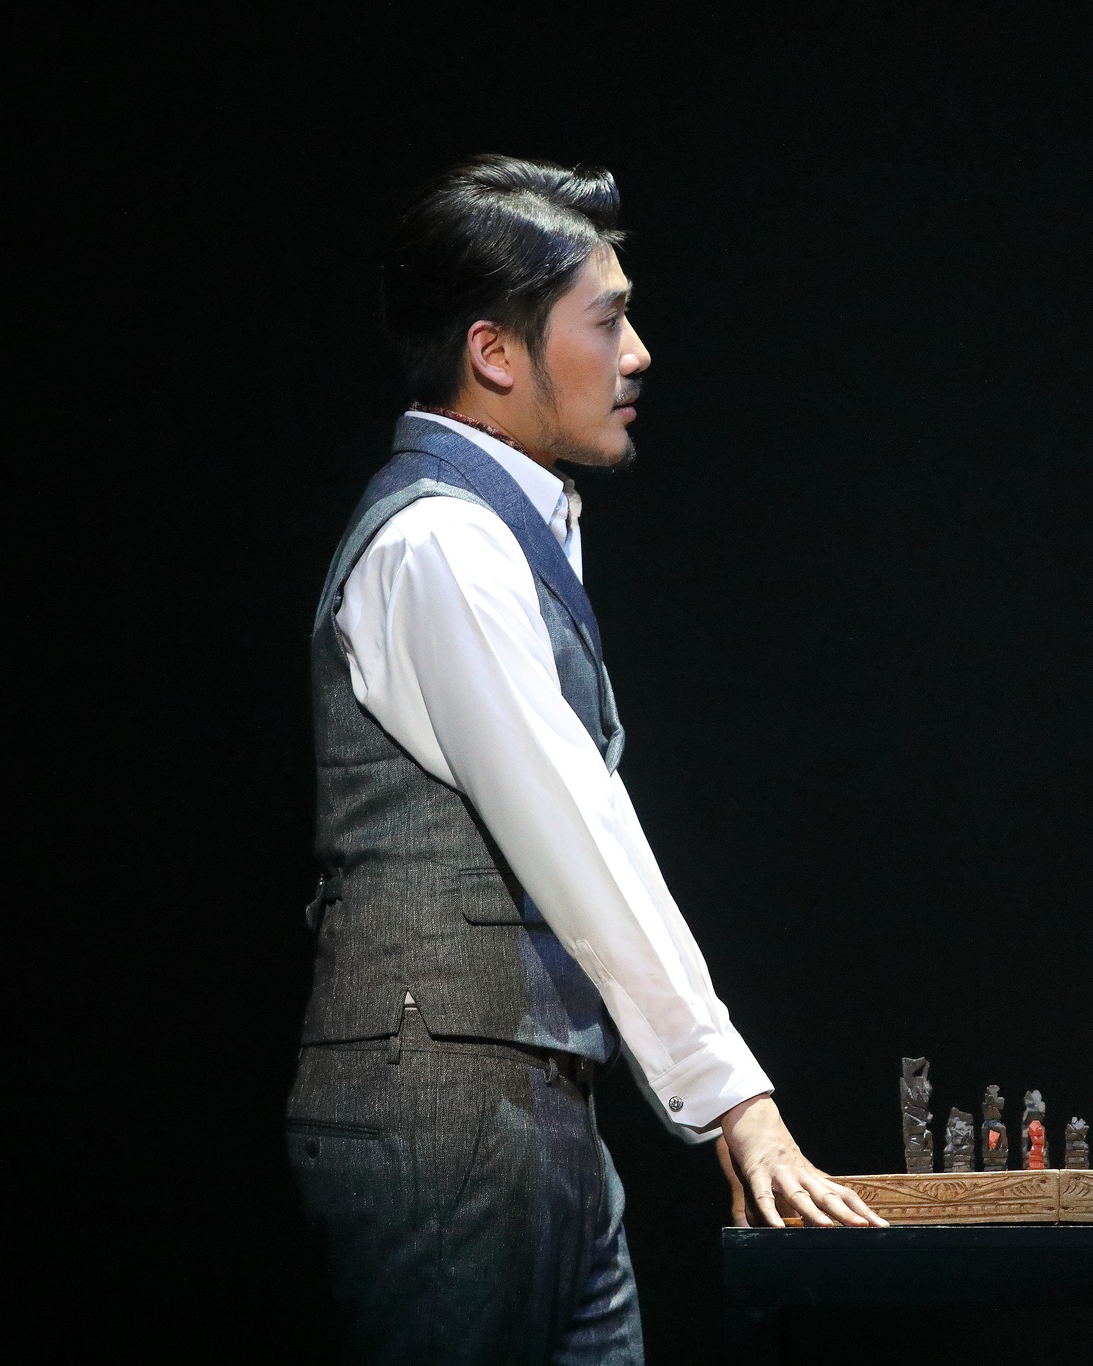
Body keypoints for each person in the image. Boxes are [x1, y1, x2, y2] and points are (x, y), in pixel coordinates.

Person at [286, 153, 883, 1366]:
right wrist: (732, 1095)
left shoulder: (500, 533)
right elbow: (577, 831)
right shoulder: (441, 545)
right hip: (443, 1113)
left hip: (531, 1108)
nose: (638, 352)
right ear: (494, 354)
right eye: (605, 321)